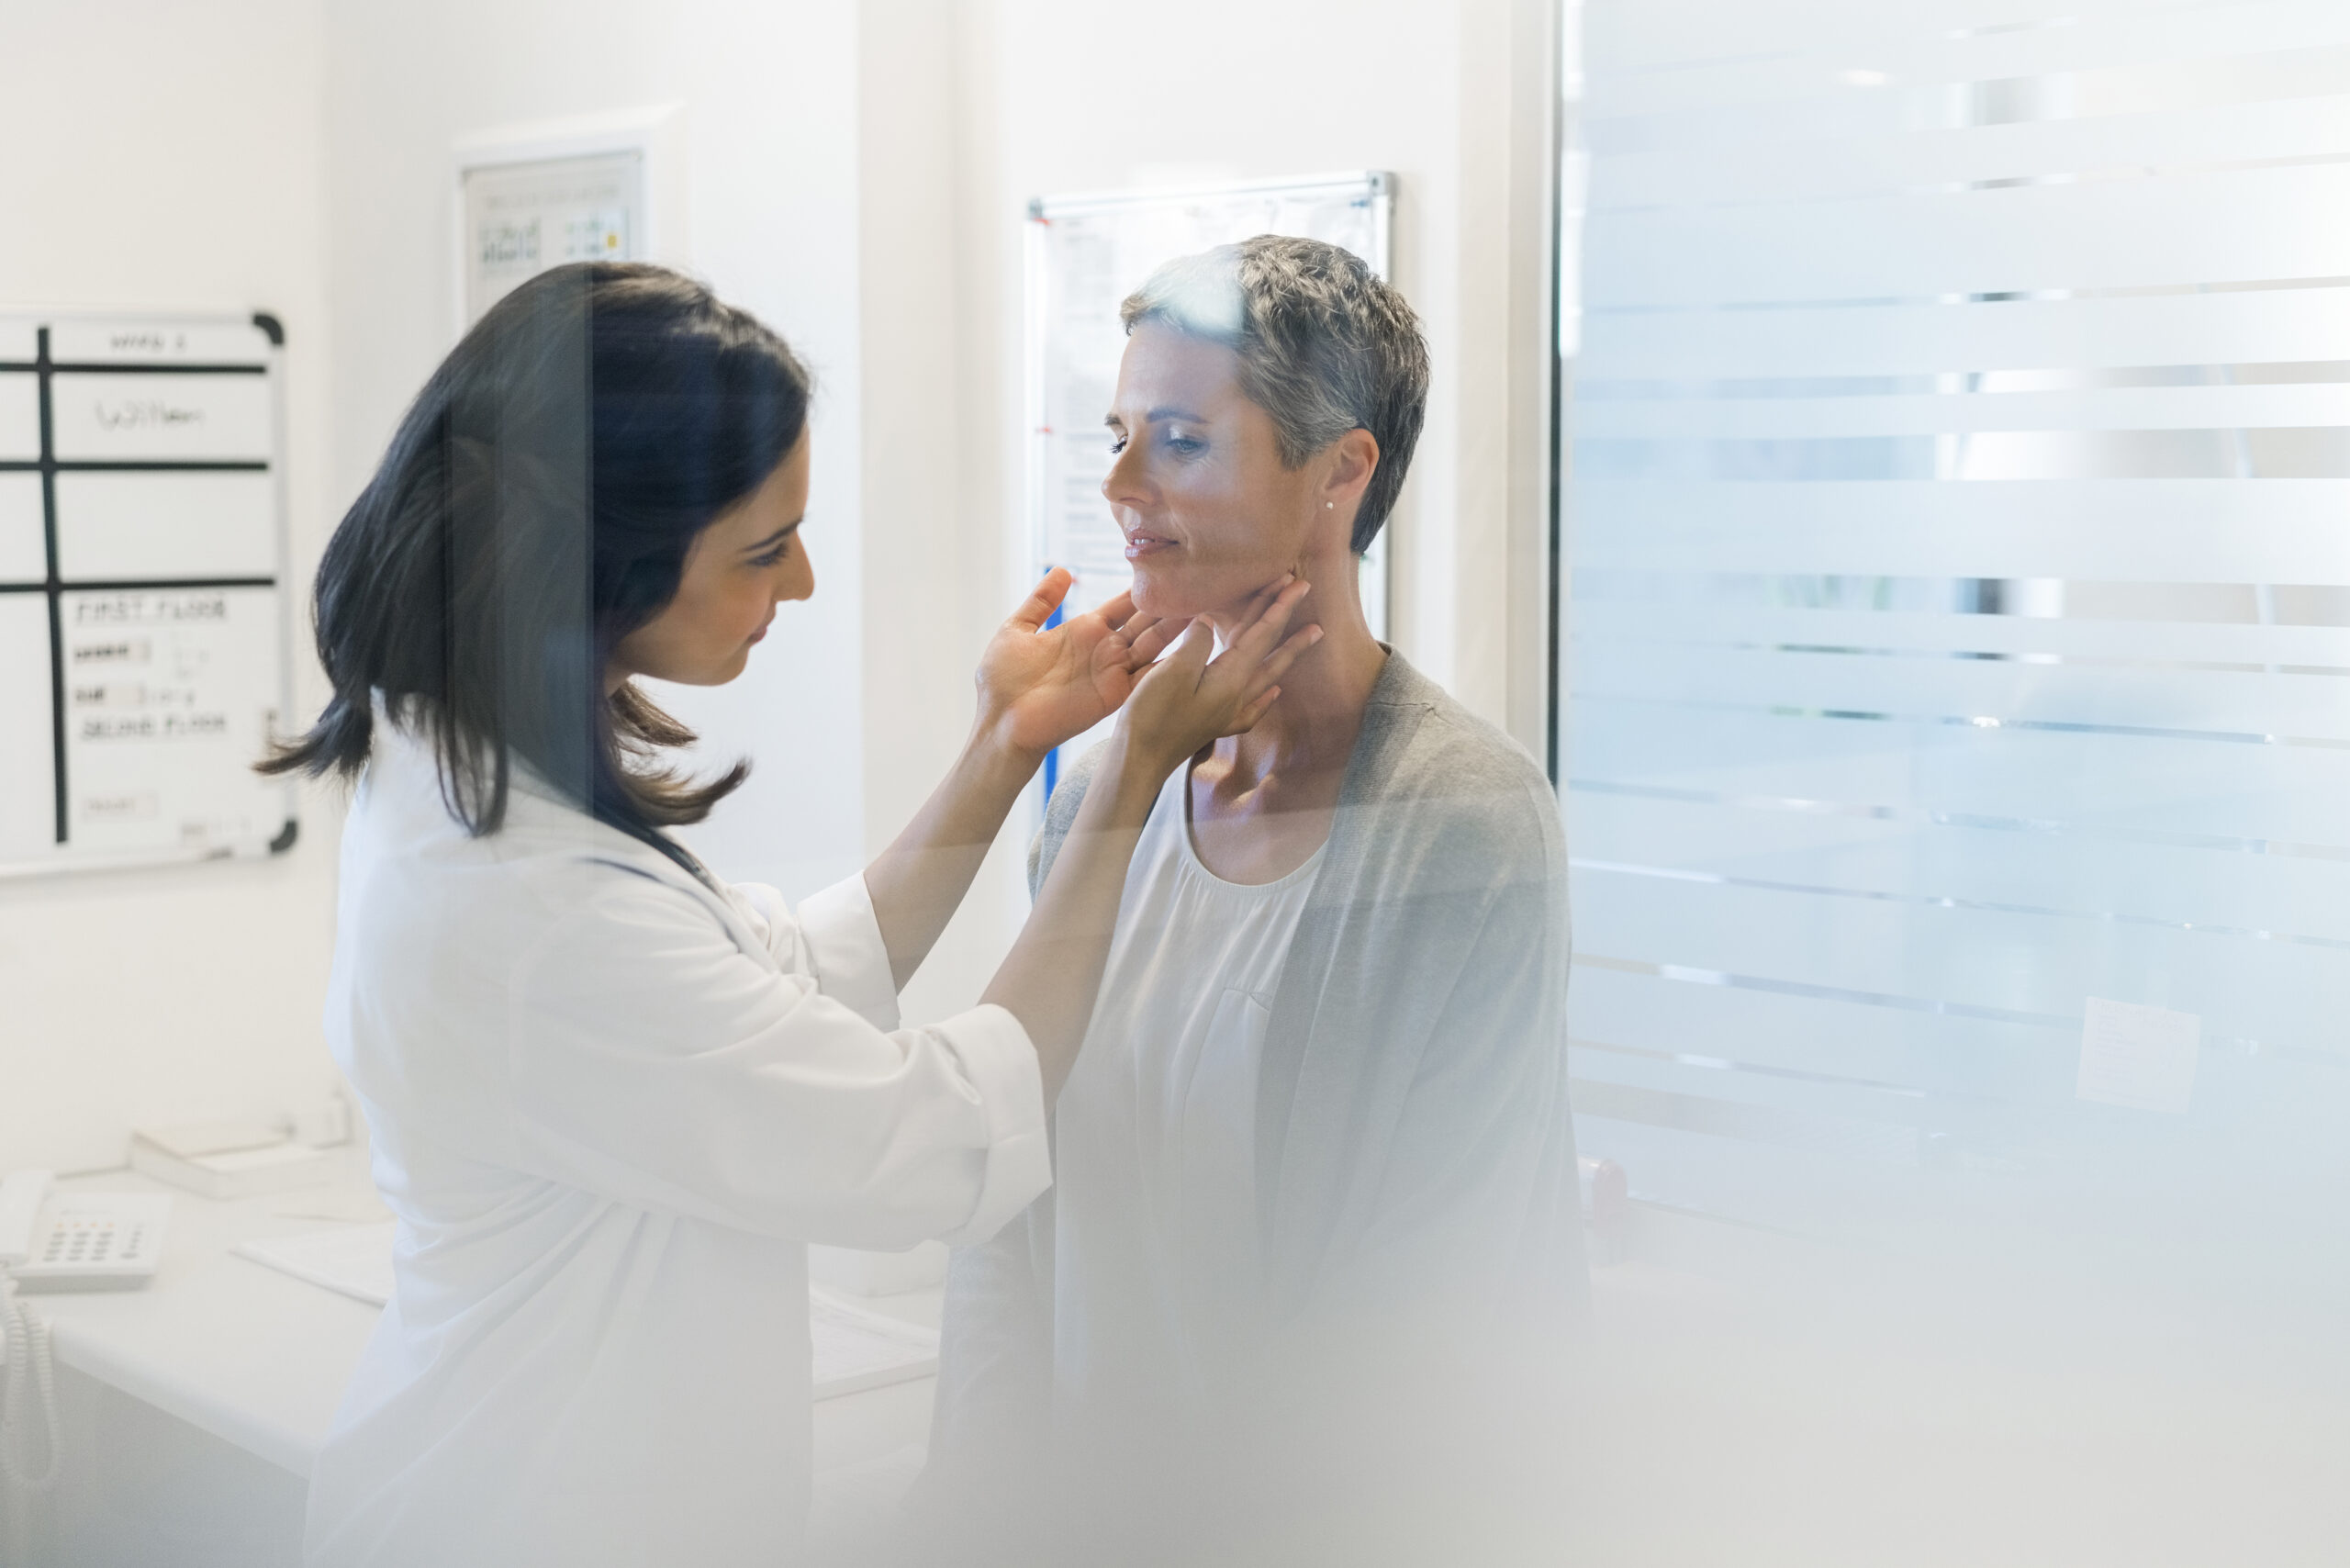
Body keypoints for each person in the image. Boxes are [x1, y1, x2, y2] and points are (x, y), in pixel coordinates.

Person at [264, 262, 1317, 1568]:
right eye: (764, 549)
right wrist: (1126, 780)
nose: (805, 582)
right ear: (596, 559)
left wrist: (1005, 746)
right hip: (524, 1512)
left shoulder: (464, 771)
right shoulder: (527, 906)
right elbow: (930, 1139)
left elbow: (783, 982)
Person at [920, 236, 1585, 1564]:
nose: (1116, 487)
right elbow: (1001, 1203)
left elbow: (1423, 1322)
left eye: (1176, 440)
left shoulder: (1464, 825)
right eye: (1117, 435)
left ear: (1341, 473)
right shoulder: (1099, 800)